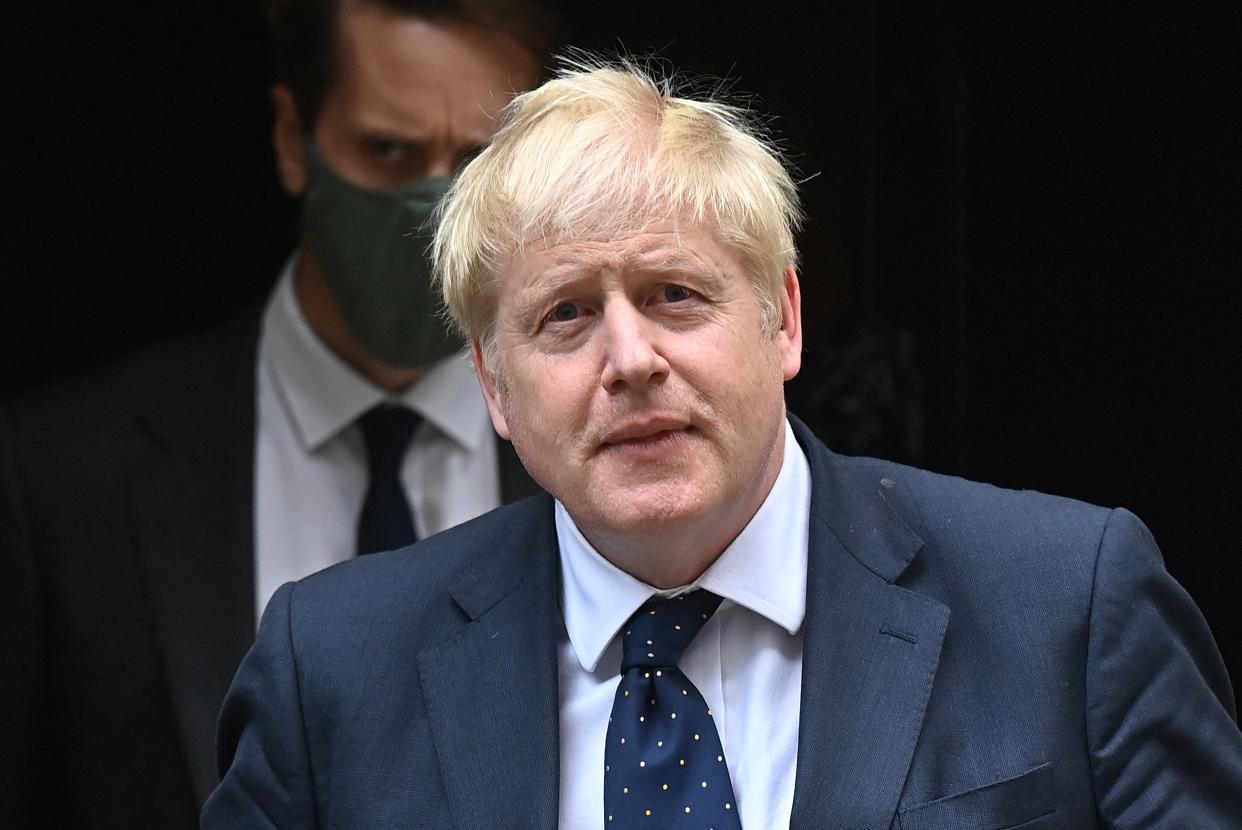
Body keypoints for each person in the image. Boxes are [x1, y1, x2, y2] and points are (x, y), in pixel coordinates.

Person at [202, 58, 1242, 827]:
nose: (631, 357)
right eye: (565, 314)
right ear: (492, 386)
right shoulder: (333, 669)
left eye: (675, 294)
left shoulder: (1067, 604)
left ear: (782, 317)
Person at [0, 1, 556, 825]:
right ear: (293, 138)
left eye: (480, 162)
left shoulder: (611, 463)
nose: (435, 207)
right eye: (389, 151)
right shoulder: (64, 476)